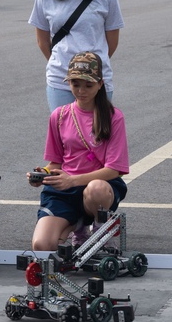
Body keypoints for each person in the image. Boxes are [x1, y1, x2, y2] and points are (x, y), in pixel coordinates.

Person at [29, 52, 129, 251]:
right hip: (65, 189)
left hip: (98, 187)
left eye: (88, 85)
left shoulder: (113, 116)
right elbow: (56, 162)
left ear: (100, 84)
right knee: (42, 245)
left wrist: (72, 180)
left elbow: (114, 169)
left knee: (96, 188)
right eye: (75, 84)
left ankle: (101, 232)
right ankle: (78, 225)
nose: (81, 91)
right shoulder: (59, 115)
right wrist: (43, 175)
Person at [30, 0, 124, 111]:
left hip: (96, 82)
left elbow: (112, 43)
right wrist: (64, 66)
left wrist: (89, 67)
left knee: (96, 137)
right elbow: (42, 41)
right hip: (60, 81)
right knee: (64, 137)